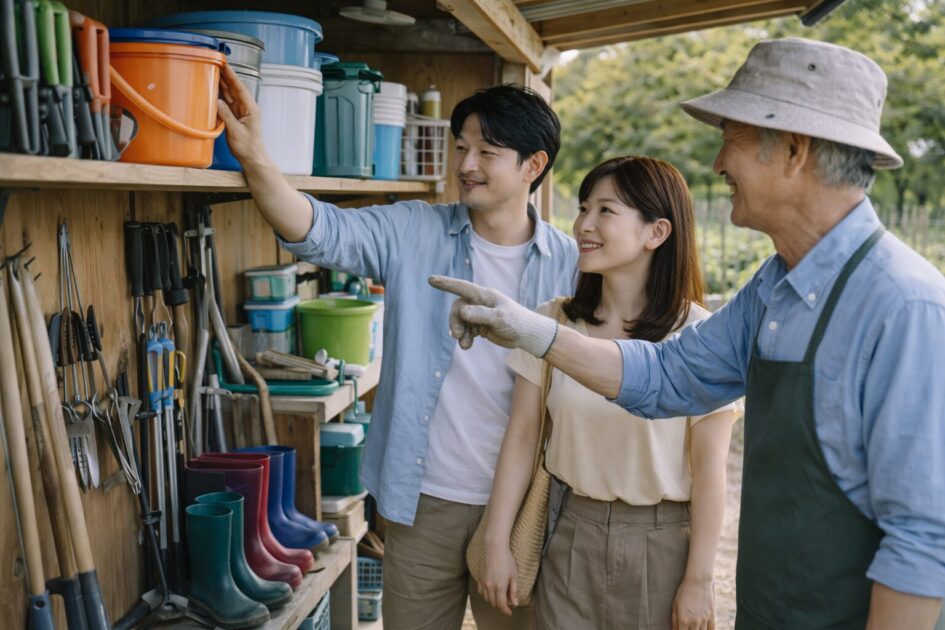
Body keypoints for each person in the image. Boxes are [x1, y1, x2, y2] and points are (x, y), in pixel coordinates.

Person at [431, 37, 945, 629]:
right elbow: (667, 376)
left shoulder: (904, 306)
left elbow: (922, 541)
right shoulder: (775, 287)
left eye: (733, 137)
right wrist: (524, 327)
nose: (718, 162)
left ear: (796, 151)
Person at [217, 68, 577, 630]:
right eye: (462, 147)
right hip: (422, 499)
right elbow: (317, 229)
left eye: (487, 151)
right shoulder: (413, 228)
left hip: (525, 507)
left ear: (534, 166)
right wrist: (255, 155)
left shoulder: (572, 264)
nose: (465, 165)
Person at [479, 155, 738, 630]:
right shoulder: (550, 323)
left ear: (656, 233)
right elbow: (521, 435)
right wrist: (496, 543)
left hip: (661, 546)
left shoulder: (700, 337)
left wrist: (699, 579)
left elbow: (709, 470)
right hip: (568, 532)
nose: (583, 224)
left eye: (605, 210)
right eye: (583, 208)